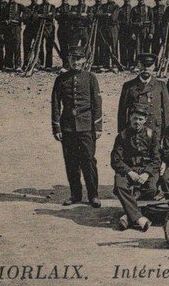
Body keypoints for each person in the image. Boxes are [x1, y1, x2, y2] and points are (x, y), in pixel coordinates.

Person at [52, 46, 103, 209]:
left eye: (79, 59)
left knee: (88, 160)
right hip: (67, 127)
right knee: (71, 162)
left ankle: (93, 195)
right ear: (68, 60)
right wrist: (57, 128)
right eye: (73, 59)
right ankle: (75, 194)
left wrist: (98, 126)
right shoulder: (61, 79)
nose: (76, 62)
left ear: (84, 60)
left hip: (86, 125)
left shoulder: (90, 78)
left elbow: (97, 103)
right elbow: (55, 104)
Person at [111, 104, 159, 232]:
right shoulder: (122, 136)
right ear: (130, 118)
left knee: (152, 188)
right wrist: (129, 172)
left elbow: (156, 159)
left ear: (145, 120)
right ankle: (140, 219)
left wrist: (147, 173)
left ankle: (128, 216)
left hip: (145, 170)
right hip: (129, 170)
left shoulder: (151, 135)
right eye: (134, 118)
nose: (137, 122)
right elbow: (115, 160)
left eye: (140, 119)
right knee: (120, 185)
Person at [118, 53, 169, 135]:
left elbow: (167, 112)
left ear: (154, 67)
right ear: (138, 65)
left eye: (149, 65)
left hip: (155, 129)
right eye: (143, 65)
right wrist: (122, 133)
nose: (146, 68)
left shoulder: (161, 85)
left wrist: (167, 133)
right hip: (135, 128)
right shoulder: (128, 86)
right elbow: (122, 112)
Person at [2, 0, 24, 71]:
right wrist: (5, 21)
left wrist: (20, 20)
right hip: (8, 29)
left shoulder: (19, 6)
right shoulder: (6, 7)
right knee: (8, 47)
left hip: (16, 29)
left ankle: (18, 66)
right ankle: (9, 65)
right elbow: (2, 17)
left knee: (17, 47)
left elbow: (28, 13)